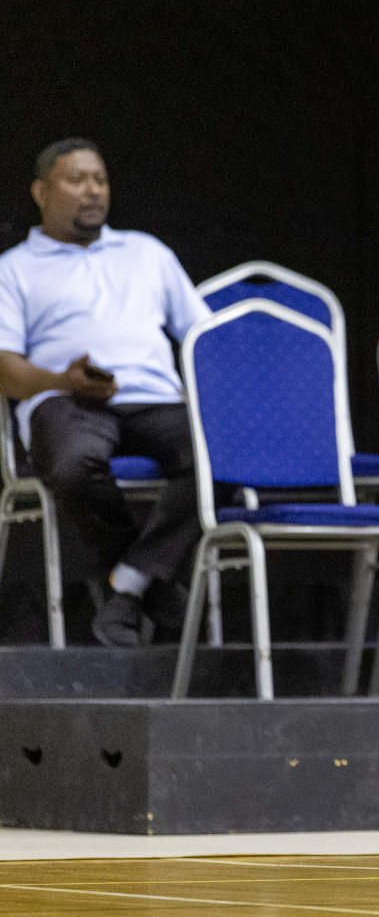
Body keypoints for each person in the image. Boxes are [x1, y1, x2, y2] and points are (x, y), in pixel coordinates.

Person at [0, 139, 210, 646]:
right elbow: (5, 371)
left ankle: (129, 586)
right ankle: (154, 590)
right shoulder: (13, 268)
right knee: (72, 465)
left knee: (218, 451)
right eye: (76, 180)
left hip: (157, 399)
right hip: (66, 402)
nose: (93, 191)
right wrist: (61, 380)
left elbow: (206, 337)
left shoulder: (148, 253)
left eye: (101, 180)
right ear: (40, 191)